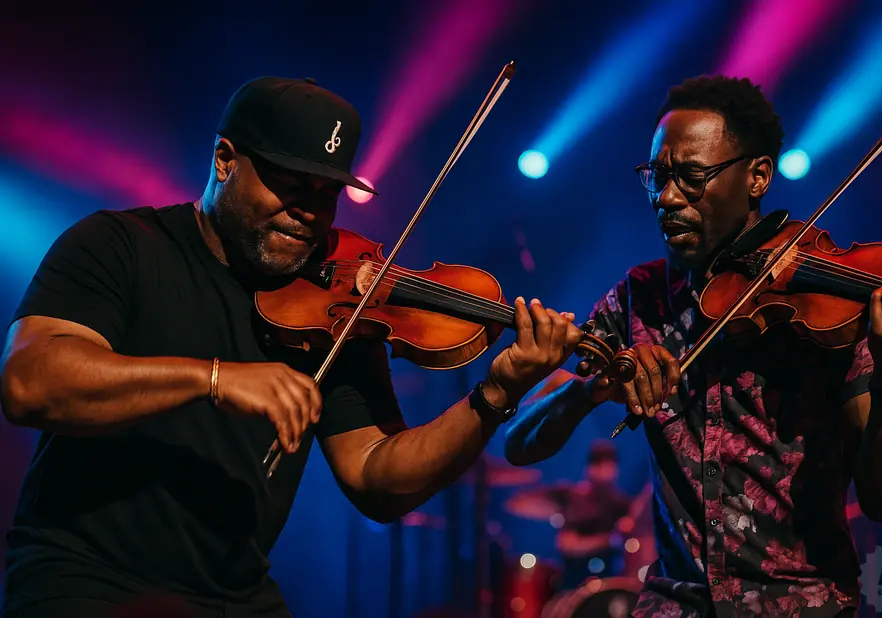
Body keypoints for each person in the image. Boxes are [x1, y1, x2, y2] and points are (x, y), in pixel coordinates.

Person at [0, 76, 582, 618]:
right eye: (288, 183)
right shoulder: (119, 245)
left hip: (235, 595)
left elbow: (378, 478)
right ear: (225, 160)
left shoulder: (338, 307)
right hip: (83, 579)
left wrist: (496, 394)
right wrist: (216, 378)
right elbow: (30, 382)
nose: (308, 213)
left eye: (327, 194)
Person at [504, 75, 882, 617]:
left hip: (803, 606)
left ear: (756, 177)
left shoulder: (822, 308)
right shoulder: (638, 300)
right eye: (657, 177)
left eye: (691, 176)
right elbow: (521, 442)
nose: (666, 197)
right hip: (674, 606)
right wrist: (593, 388)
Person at [505, 441, 633, 588]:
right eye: (599, 464)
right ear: (589, 469)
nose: (604, 471)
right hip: (574, 580)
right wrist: (607, 541)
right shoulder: (573, 498)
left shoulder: (622, 505)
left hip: (612, 580)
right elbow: (566, 544)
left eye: (608, 465)